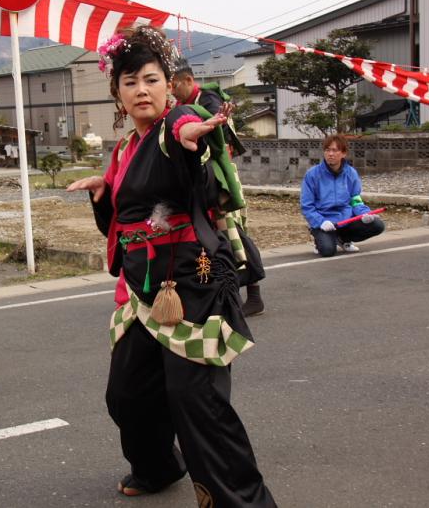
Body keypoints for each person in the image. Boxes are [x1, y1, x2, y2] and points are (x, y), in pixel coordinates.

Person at [68, 25, 276, 507]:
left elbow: (186, 131)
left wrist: (194, 134)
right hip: (143, 290)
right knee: (127, 394)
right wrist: (104, 194)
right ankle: (159, 465)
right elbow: (122, 227)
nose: (142, 89)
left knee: (198, 405)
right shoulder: (122, 150)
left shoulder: (175, 124)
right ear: (117, 94)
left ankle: (245, 502)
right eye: (130, 82)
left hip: (190, 283)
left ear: (168, 84)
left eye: (151, 79)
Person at [172, 59, 266, 317]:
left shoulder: (208, 99)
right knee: (212, 235)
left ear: (189, 80)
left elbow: (218, 134)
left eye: (174, 84)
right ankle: (220, 293)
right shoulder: (183, 105)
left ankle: (250, 295)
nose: (172, 91)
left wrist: (216, 121)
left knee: (230, 234)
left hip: (217, 178)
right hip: (200, 176)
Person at [301, 134, 385, 257]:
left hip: (346, 219)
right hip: (325, 221)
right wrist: (320, 222)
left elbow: (355, 200)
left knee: (377, 225)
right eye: (327, 150)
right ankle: (318, 238)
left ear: (344, 153)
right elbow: (307, 206)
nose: (330, 154)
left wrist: (365, 214)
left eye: (335, 150)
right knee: (327, 251)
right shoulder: (312, 174)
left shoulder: (351, 173)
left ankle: (343, 239)